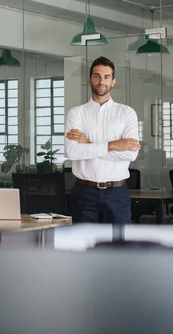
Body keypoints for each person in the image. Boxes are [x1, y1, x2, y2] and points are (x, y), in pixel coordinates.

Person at [64, 56, 140, 224]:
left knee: (119, 247)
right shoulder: (76, 114)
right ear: (90, 79)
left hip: (117, 193)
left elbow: (130, 155)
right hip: (84, 193)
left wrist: (88, 144)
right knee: (83, 246)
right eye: (97, 76)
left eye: (106, 77)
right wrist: (114, 145)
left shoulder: (126, 113)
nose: (101, 81)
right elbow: (73, 152)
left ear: (113, 81)